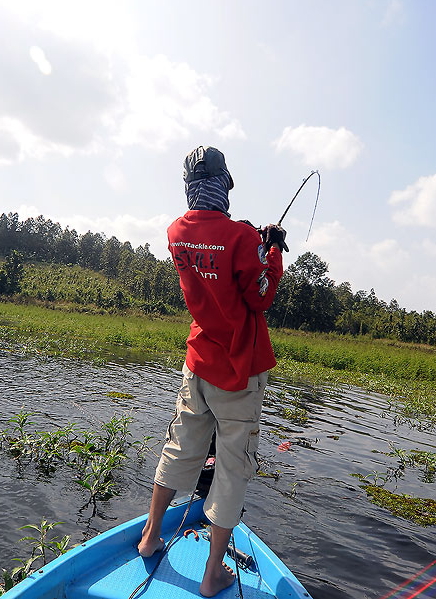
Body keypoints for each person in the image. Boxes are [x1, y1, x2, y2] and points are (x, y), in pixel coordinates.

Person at [137, 146, 287, 597]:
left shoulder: (175, 233)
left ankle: (149, 538)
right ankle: (211, 575)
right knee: (231, 469)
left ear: (189, 185)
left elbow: (213, 259)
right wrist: (272, 249)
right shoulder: (241, 237)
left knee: (180, 446)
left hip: (196, 363)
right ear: (224, 184)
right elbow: (259, 295)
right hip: (237, 372)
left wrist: (254, 245)